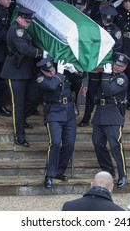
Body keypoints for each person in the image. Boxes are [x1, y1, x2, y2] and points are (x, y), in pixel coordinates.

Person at [1, 6, 44, 147]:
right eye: (27, 21)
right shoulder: (16, 31)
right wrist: (42, 53)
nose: (29, 23)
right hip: (15, 72)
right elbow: (24, 49)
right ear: (19, 18)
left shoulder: (23, 30)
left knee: (33, 97)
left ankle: (23, 119)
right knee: (18, 105)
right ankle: (19, 136)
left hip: (26, 70)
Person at [36, 57, 81, 189]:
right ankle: (49, 174)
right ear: (42, 71)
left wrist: (75, 72)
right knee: (55, 143)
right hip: (54, 113)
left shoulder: (61, 73)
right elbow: (51, 86)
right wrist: (59, 74)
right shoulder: (41, 79)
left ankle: (59, 170)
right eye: (49, 71)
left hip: (68, 113)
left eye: (53, 69)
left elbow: (79, 81)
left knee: (69, 143)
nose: (52, 73)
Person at [91, 52, 130, 189]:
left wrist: (106, 74)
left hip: (113, 115)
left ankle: (123, 174)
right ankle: (108, 170)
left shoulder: (122, 79)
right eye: (115, 64)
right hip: (100, 113)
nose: (116, 67)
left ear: (125, 67)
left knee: (115, 146)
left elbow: (108, 90)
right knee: (97, 143)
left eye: (120, 66)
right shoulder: (106, 74)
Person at [78, 6, 122, 127]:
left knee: (105, 93)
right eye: (105, 20)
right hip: (95, 65)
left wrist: (113, 67)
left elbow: (117, 50)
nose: (106, 22)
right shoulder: (93, 26)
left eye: (109, 20)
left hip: (107, 67)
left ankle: (103, 119)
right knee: (91, 92)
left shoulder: (115, 31)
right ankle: (86, 118)